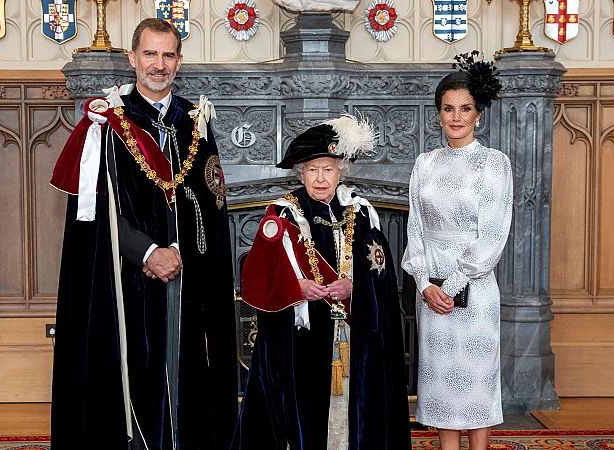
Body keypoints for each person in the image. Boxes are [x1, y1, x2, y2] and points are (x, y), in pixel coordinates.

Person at [49, 18, 238, 450]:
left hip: (187, 281)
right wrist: (150, 252)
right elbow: (94, 214)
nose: (159, 64)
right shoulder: (109, 125)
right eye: (150, 54)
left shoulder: (196, 121)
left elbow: (212, 203)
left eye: (168, 55)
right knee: (132, 383)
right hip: (126, 281)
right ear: (132, 58)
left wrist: (180, 252)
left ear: (179, 61)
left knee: (189, 379)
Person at [231, 115, 411, 450]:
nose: (320, 178)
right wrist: (295, 288)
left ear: (340, 170)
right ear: (300, 172)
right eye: (312, 169)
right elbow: (256, 279)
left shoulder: (360, 211)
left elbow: (382, 272)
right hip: (302, 340)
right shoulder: (283, 214)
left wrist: (355, 286)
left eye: (328, 169)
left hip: (353, 336)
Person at [401, 51, 511, 450]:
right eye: (448, 108)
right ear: (438, 113)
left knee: (476, 384)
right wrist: (425, 283)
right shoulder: (424, 163)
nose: (456, 117)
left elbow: (493, 234)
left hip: (475, 290)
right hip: (430, 290)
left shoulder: (494, 163)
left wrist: (453, 284)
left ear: (478, 113)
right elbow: (415, 228)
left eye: (465, 108)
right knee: (443, 386)